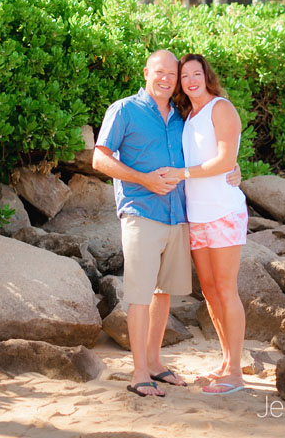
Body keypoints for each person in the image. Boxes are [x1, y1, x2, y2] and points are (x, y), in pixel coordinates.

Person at [92, 49, 241, 399]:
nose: (167, 79)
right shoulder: (124, 109)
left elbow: (215, 154)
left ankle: (156, 363)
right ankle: (140, 372)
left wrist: (233, 168)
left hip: (179, 217)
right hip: (142, 213)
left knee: (161, 295)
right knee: (140, 295)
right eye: (161, 72)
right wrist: (144, 179)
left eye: (172, 75)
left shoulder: (182, 115)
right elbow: (99, 158)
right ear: (146, 72)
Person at [162, 53, 247, 395]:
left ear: (206, 76)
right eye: (185, 77)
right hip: (196, 215)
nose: (191, 80)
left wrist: (183, 174)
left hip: (224, 212)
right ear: (181, 84)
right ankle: (227, 361)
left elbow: (226, 159)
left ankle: (237, 373)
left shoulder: (220, 108)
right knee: (210, 293)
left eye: (197, 73)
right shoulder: (189, 116)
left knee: (226, 290)